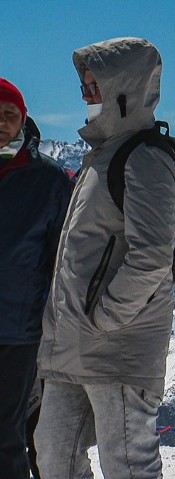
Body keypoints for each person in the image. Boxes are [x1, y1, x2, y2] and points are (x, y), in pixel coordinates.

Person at [35, 37, 175, 477]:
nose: (85, 94)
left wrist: (104, 319)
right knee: (53, 457)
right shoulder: (100, 157)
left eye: (94, 85)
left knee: (128, 464)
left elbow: (153, 257)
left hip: (116, 348)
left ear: (125, 87)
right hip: (74, 347)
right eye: (84, 85)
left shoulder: (147, 158)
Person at [0, 78, 71, 479]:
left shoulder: (49, 181)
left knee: (6, 433)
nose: (2, 121)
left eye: (10, 114)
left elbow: (63, 260)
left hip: (19, 331)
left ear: (23, 121)